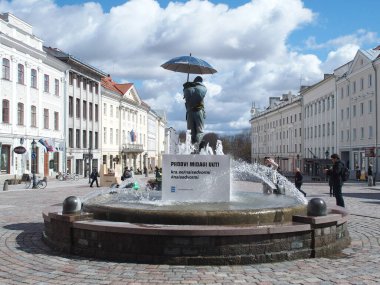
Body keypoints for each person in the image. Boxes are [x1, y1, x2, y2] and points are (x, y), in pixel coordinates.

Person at [183, 76, 207, 151]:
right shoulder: (202, 88)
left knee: (190, 132)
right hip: (198, 111)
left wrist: (186, 87)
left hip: (189, 112)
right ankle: (197, 145)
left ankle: (191, 147)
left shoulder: (187, 88)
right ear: (200, 81)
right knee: (200, 131)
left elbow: (186, 100)